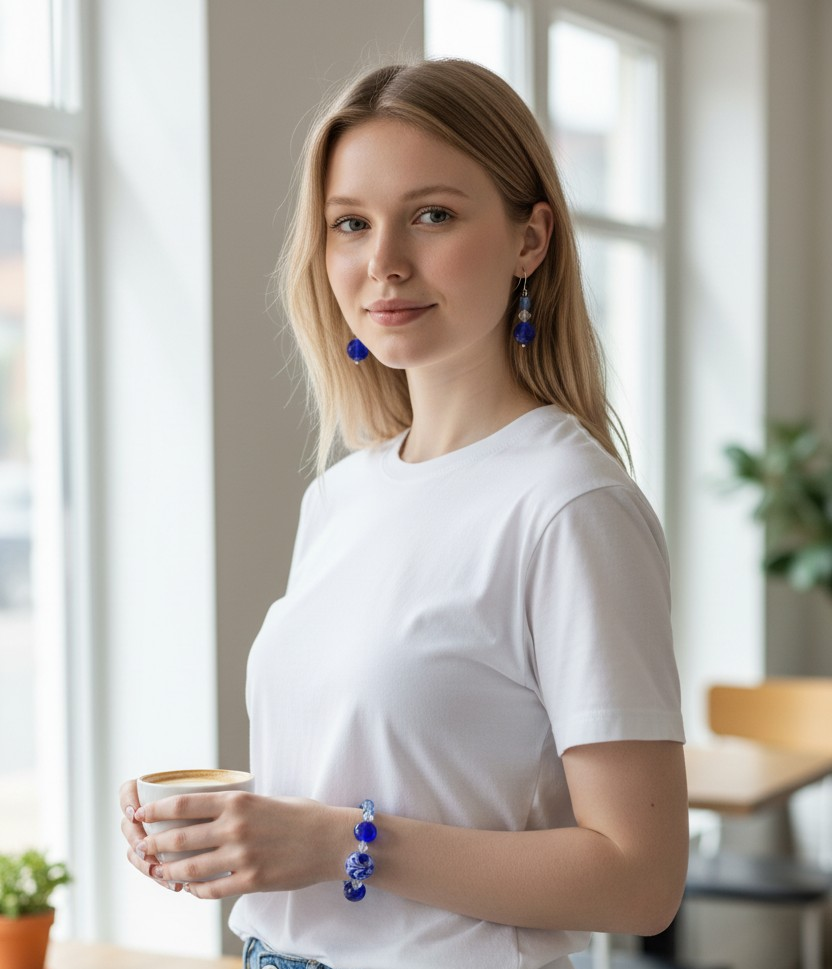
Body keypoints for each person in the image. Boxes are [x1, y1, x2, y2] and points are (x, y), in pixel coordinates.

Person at [120, 58, 688, 969]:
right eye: (351, 223)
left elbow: (640, 878)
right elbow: (388, 778)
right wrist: (239, 828)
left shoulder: (569, 504)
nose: (383, 261)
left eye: (432, 215)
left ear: (530, 239)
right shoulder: (341, 495)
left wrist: (344, 842)